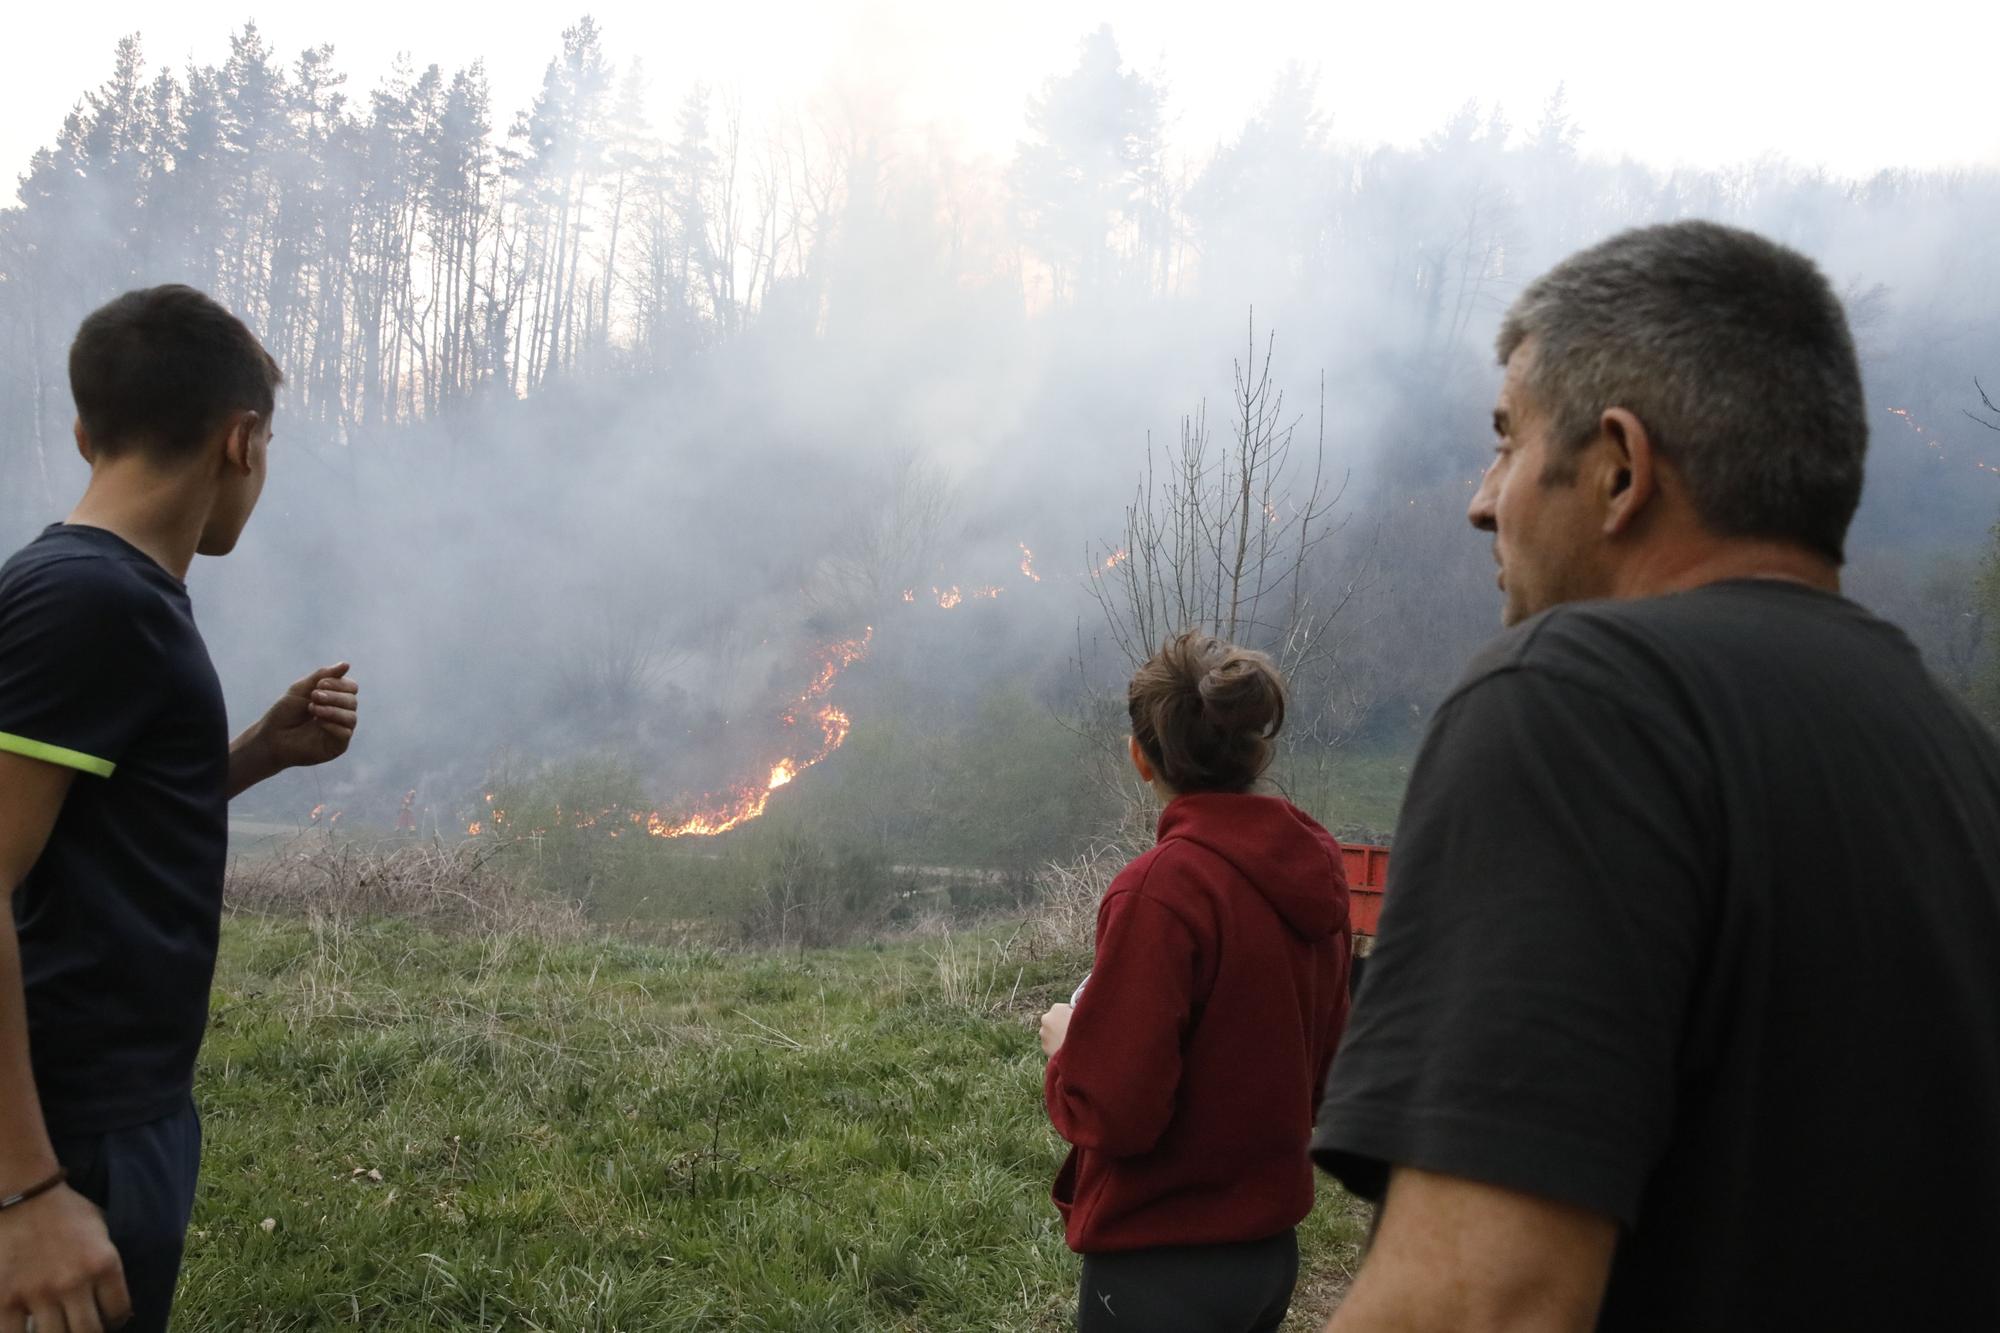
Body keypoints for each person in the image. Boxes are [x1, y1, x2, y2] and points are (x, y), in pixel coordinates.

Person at [1312, 220, 2000, 1331]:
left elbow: (1482, 1302)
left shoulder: (1575, 700)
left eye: (1508, 440)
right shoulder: (1957, 757)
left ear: (1619, 468)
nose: (1481, 499)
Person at [0, 285, 361, 1332]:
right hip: (70, 1134)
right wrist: (26, 1195)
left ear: (85, 429)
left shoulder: (99, 593)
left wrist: (254, 753)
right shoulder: (92, 602)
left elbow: (91, 826)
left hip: (115, 1116)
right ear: (241, 440)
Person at [1040, 631, 1351, 1333]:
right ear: (1253, 750)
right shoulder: (1315, 870)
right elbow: (1327, 1071)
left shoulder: (1163, 890)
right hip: (1267, 1256)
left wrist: (1065, 1051)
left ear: (1140, 758)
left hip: (1161, 1266)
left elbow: (1117, 1112)